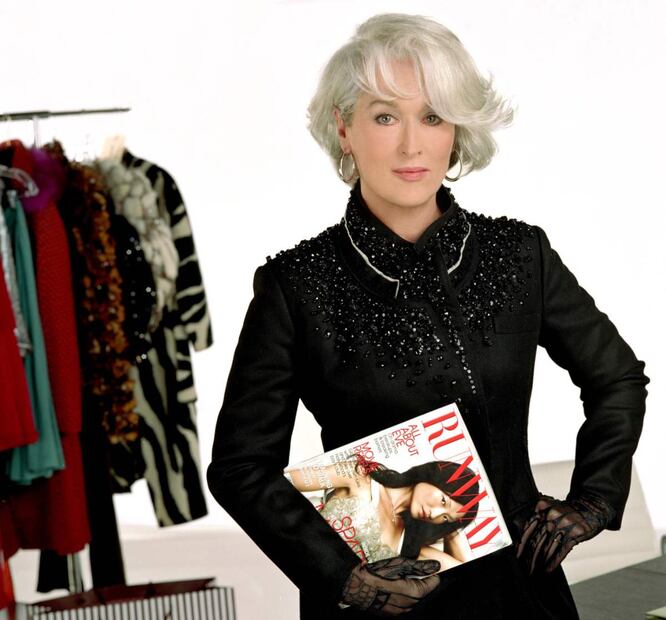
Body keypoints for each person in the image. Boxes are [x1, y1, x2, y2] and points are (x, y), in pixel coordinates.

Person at [207, 12, 648, 619]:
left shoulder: (520, 254)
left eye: (434, 116)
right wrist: (347, 580)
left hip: (519, 592)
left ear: (457, 131)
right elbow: (240, 466)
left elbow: (617, 377)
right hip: (383, 600)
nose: (412, 145)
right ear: (344, 128)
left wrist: (593, 500)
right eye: (386, 117)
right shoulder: (296, 285)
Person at [285, 460, 479, 569]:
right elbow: (283, 483)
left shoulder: (409, 547)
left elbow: (463, 574)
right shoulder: (361, 475)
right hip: (286, 548)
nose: (434, 513)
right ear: (434, 476)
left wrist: (453, 528)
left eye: (444, 518)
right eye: (443, 501)